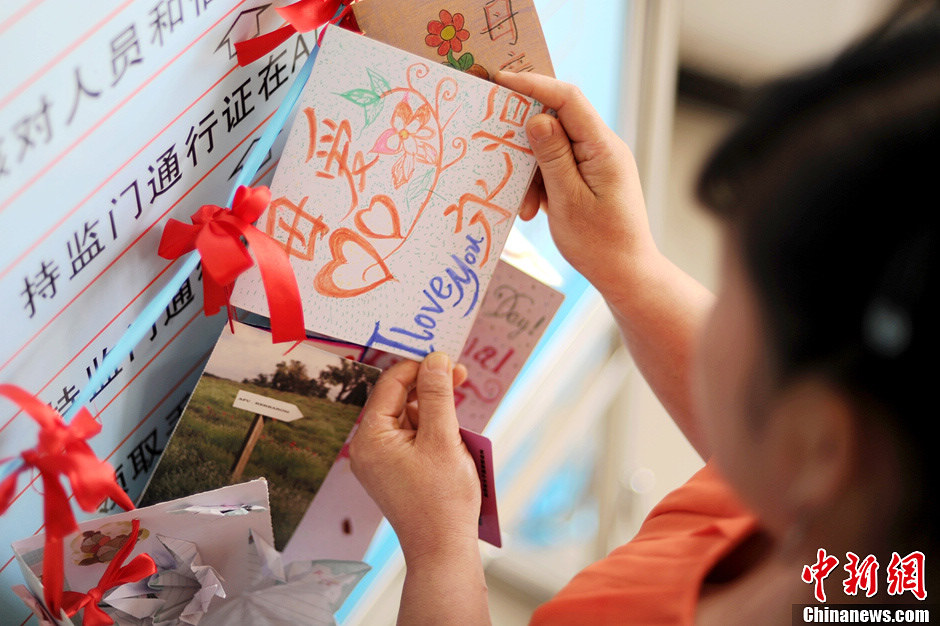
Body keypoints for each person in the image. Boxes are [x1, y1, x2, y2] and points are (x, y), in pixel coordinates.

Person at [348, 4, 938, 624]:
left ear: (822, 444)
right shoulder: (883, 550)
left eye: (733, 292)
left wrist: (441, 552)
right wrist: (628, 266)